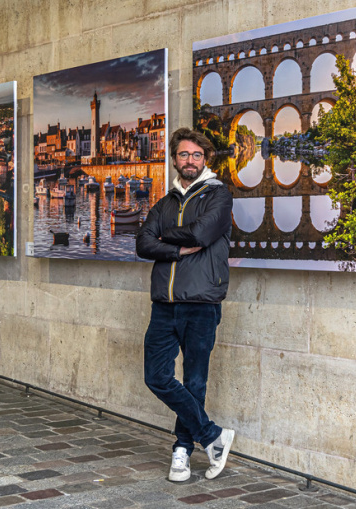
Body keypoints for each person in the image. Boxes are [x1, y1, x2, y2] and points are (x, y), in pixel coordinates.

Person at [136, 128, 234, 482]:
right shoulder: (165, 203)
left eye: (196, 155)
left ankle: (182, 449)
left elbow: (201, 234)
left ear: (204, 159)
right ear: (174, 159)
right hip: (164, 303)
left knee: (194, 381)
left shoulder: (220, 197)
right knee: (156, 376)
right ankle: (212, 436)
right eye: (183, 155)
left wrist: (164, 237)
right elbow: (142, 244)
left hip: (201, 303)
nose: (189, 161)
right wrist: (175, 249)